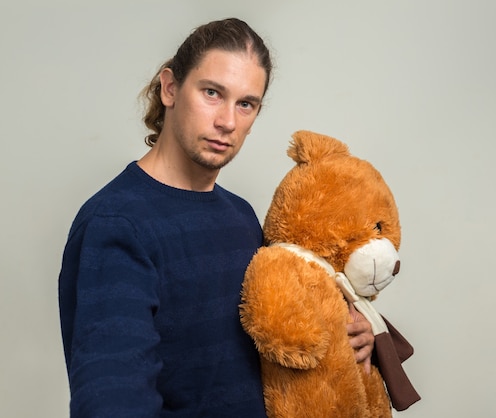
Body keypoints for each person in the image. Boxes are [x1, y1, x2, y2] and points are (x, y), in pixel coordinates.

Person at [58, 17, 374, 417]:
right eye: (212, 93)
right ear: (170, 87)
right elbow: (112, 401)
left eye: (246, 104)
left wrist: (351, 333)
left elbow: (277, 340)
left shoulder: (241, 217)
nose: (227, 121)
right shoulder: (116, 224)